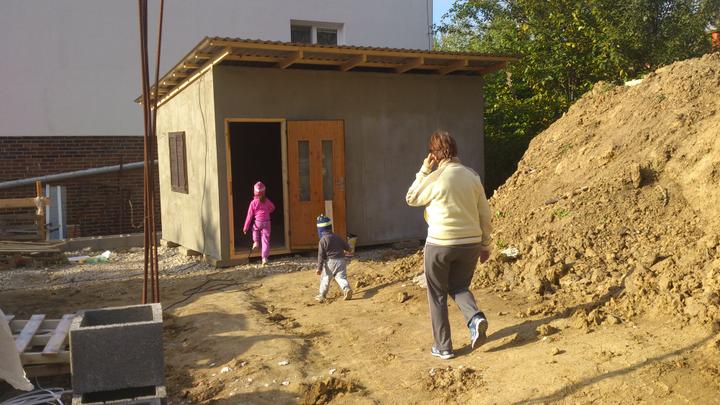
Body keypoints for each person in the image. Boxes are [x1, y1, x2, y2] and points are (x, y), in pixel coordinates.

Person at [406, 130, 493, 360]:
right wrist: (486, 245)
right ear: (455, 150)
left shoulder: (435, 178)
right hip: (470, 243)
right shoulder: (472, 176)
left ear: (433, 155)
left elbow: (411, 198)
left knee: (437, 295)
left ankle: (443, 347)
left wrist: (424, 170)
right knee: (459, 286)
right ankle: (475, 318)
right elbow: (485, 214)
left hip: (440, 244)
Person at [315, 214, 353, 302]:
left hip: (330, 262)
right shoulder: (337, 237)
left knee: (325, 277)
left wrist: (319, 268)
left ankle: (322, 295)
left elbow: (320, 255)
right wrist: (349, 250)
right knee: (341, 277)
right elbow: (347, 247)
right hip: (341, 260)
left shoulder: (322, 240)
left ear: (320, 230)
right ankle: (346, 288)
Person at [243, 181, 275, 265]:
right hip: (267, 222)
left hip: (258, 222)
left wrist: (245, 228)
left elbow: (249, 216)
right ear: (264, 192)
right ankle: (264, 258)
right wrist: (267, 211)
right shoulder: (267, 201)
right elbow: (273, 207)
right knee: (265, 240)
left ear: (255, 192)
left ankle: (256, 242)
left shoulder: (253, 203)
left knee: (255, 229)